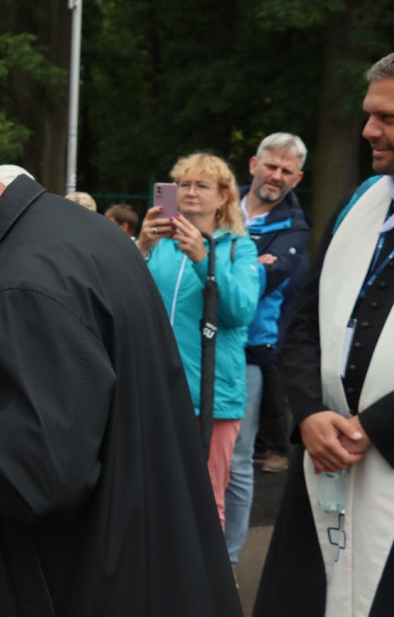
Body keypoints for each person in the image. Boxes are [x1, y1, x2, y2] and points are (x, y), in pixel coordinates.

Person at [0, 117, 242, 616]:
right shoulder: (66, 229)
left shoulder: (17, 285)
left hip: (84, 582)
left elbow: (33, 477)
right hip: (145, 549)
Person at [254, 52, 394, 617]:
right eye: (369, 114)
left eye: (387, 118)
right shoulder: (360, 203)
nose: (368, 130)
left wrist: (375, 427)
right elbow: (303, 324)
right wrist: (310, 413)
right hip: (327, 456)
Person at [137, 153, 260, 529]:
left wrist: (203, 258)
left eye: (202, 185)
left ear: (223, 197)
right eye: (184, 184)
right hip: (156, 390)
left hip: (212, 396)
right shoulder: (160, 245)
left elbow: (239, 312)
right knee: (152, 494)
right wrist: (140, 245)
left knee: (205, 500)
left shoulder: (240, 248)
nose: (190, 192)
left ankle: (211, 586)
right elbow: (123, 297)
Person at [223, 133, 311, 573]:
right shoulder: (221, 200)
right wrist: (245, 263)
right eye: (270, 166)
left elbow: (256, 290)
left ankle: (228, 562)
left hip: (250, 355)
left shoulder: (295, 229)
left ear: (297, 177)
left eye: (285, 171)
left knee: (238, 459)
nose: (275, 177)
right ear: (254, 163)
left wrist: (219, 261)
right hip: (190, 344)